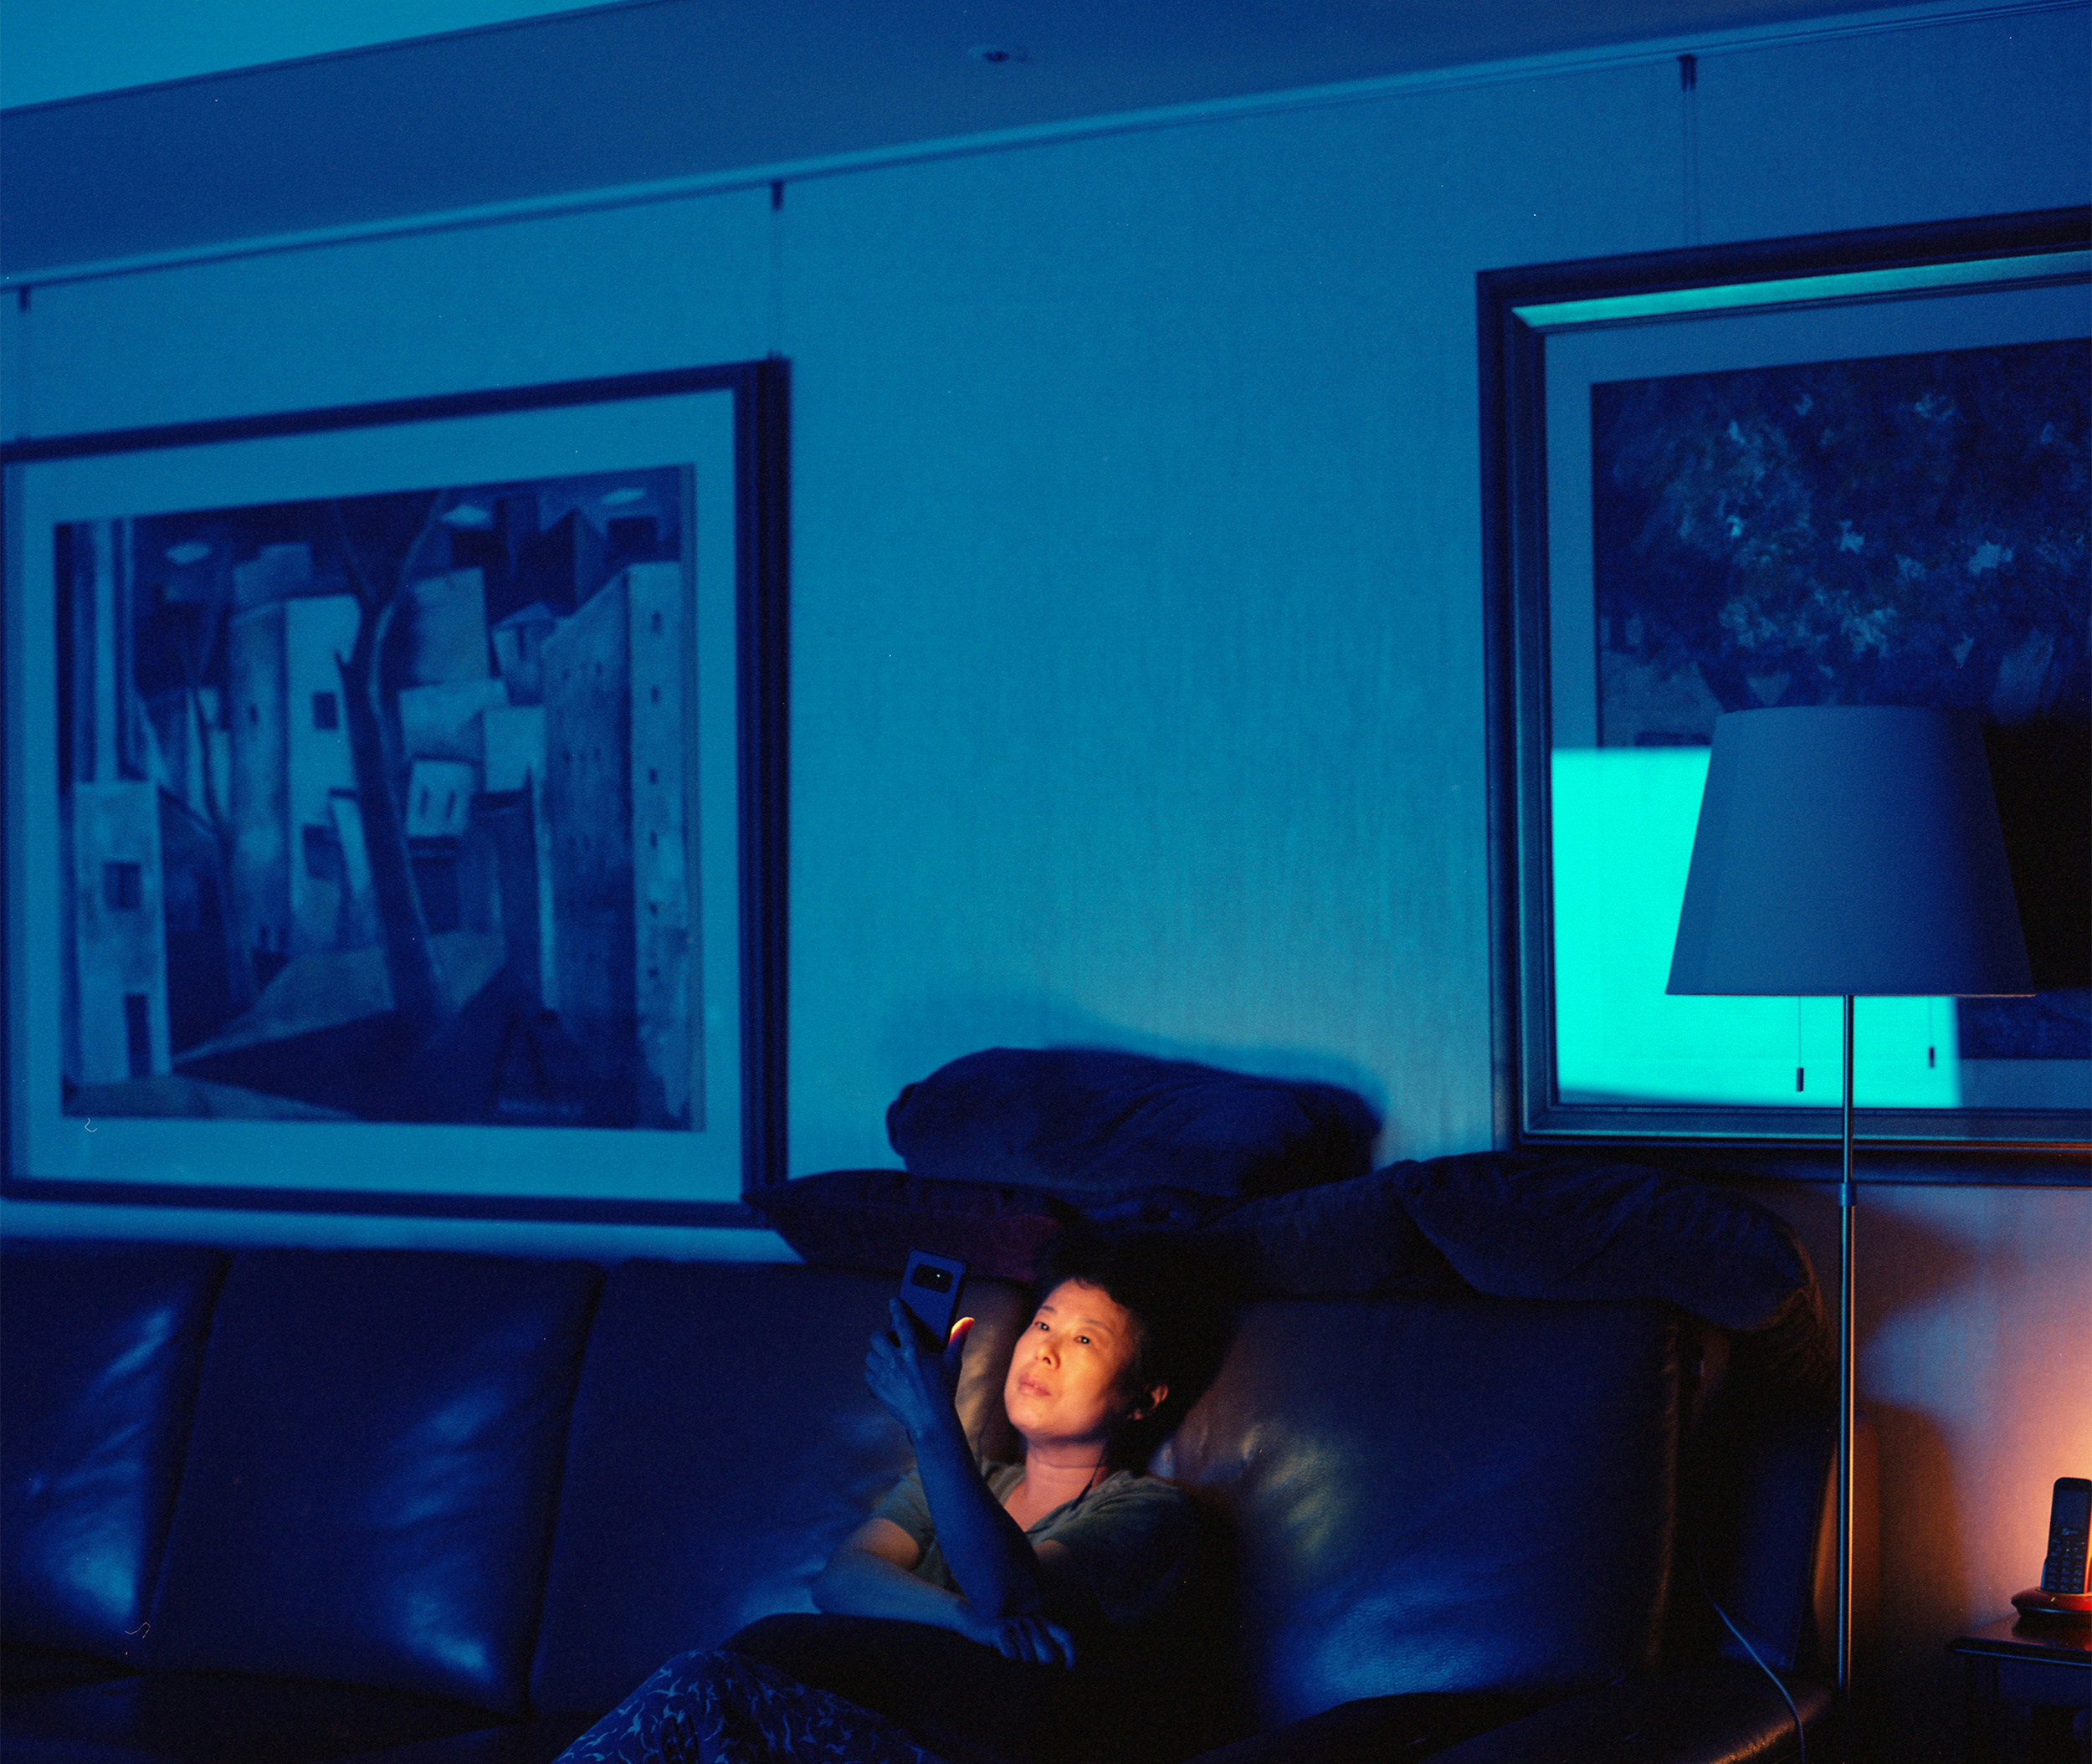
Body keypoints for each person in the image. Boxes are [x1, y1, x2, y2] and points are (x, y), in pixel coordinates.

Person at [553, 1231, 1218, 1764]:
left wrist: (932, 1422)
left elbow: (1012, 1593)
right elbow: (842, 1579)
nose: (1045, 1352)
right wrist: (964, 1620)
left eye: (1083, 1340)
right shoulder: (973, 1478)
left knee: (703, 1688)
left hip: (945, 1744)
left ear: (1144, 1398)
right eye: (1043, 1325)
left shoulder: (1149, 1513)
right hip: (840, 1726)